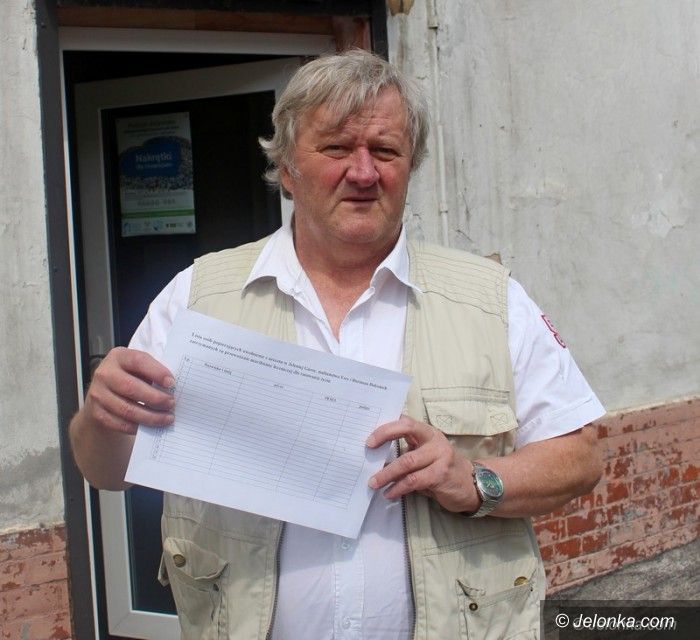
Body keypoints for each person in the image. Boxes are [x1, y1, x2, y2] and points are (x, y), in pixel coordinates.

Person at [70, 49, 605, 640]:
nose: (364, 172)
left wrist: (476, 480)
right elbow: (105, 470)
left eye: (386, 151)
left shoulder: (490, 300)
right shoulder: (198, 296)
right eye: (336, 148)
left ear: (410, 166)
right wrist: (102, 417)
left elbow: (580, 456)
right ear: (287, 168)